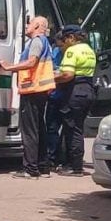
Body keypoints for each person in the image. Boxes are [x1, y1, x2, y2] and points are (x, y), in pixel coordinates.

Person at [0, 16, 55, 179]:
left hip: (33, 90)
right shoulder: (45, 42)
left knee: (30, 131)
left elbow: (31, 62)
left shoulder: (36, 41)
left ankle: (30, 169)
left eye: (30, 23)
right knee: (39, 129)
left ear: (37, 25)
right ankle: (43, 167)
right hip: (40, 90)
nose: (27, 26)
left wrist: (9, 67)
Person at [54, 25, 96, 176]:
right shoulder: (89, 50)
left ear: (72, 38)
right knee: (78, 128)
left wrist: (50, 77)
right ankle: (75, 164)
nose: (63, 43)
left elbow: (67, 75)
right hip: (88, 90)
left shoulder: (72, 50)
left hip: (75, 91)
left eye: (65, 39)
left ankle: (75, 167)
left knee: (73, 129)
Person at [46, 31, 68, 169]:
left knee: (56, 128)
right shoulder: (55, 51)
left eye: (60, 44)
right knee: (54, 128)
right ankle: (54, 158)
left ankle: (56, 158)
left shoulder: (69, 53)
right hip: (58, 94)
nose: (59, 47)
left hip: (61, 95)